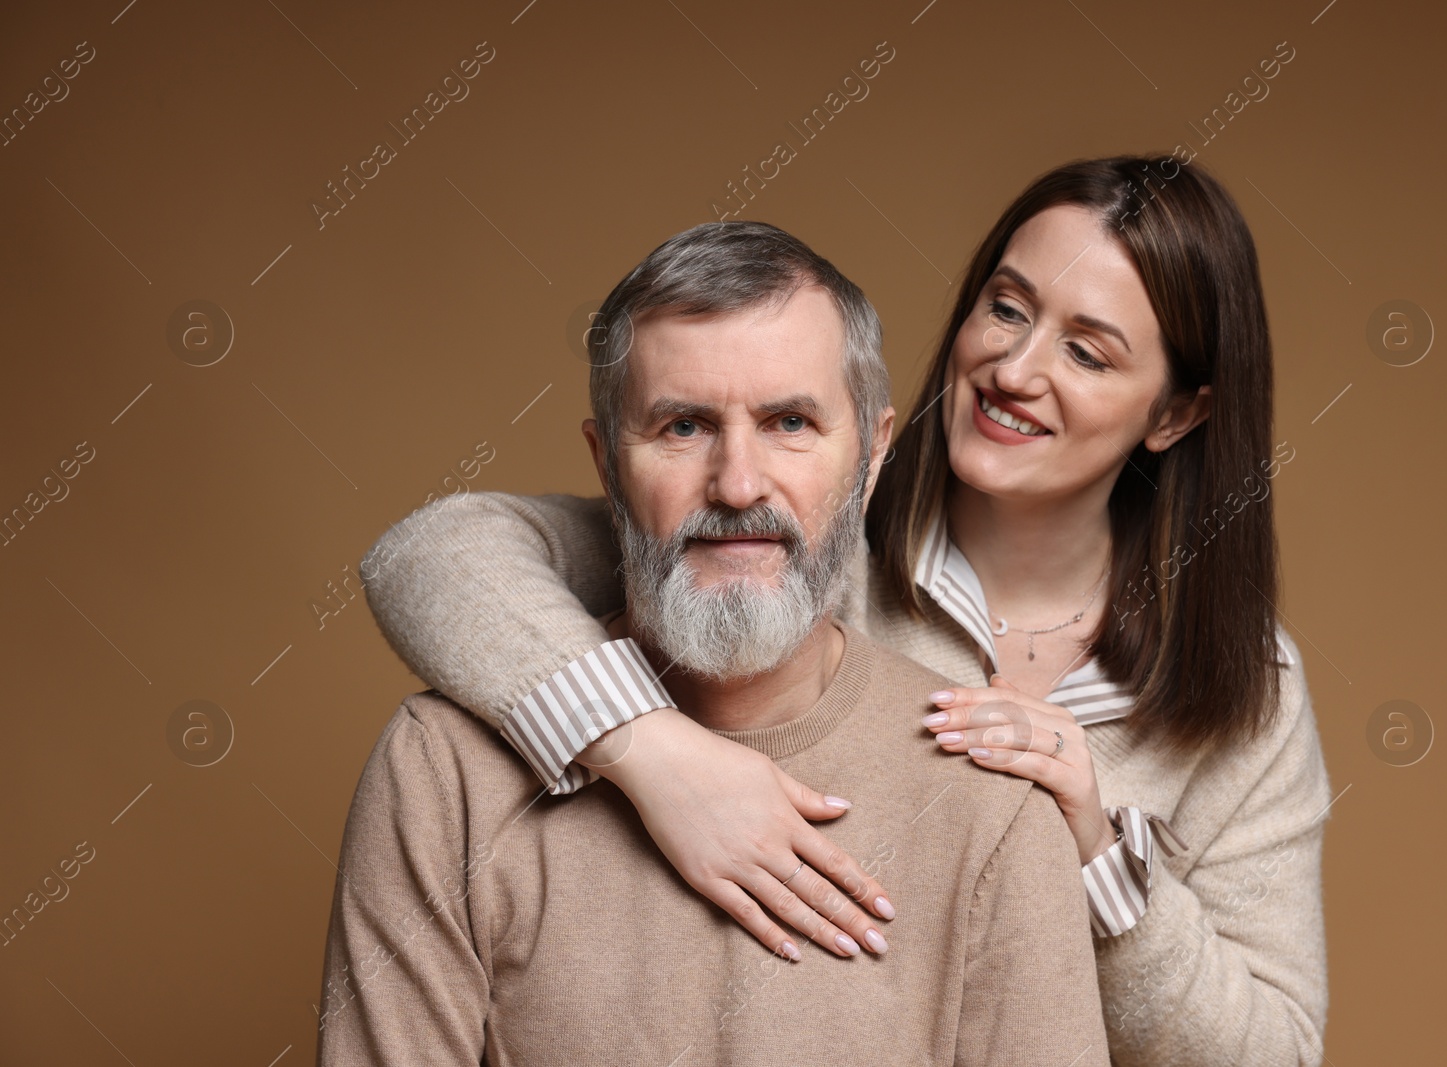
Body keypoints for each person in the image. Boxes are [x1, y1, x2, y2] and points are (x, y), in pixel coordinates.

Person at [361, 157, 1333, 1065]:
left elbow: (1276, 1049)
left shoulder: (1246, 686)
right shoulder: (792, 544)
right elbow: (437, 553)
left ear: (1174, 413)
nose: (1015, 369)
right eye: (1006, 308)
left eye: (1085, 350)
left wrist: (1092, 858)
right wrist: (654, 749)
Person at [318, 221, 1112, 1066]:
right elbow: (431, 550)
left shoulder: (990, 802)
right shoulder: (445, 776)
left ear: (873, 455)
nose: (737, 484)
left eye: (791, 422)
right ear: (606, 463)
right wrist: (647, 749)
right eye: (684, 427)